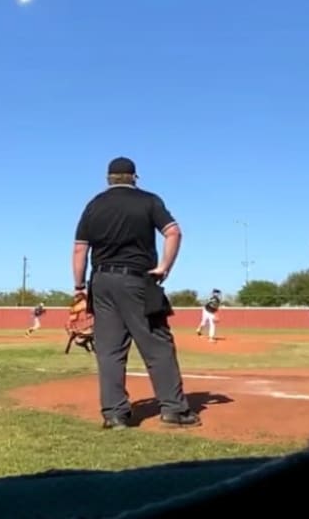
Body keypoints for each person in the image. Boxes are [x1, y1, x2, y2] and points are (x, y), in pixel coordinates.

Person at [71, 156, 200, 430]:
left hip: (102, 281)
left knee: (109, 350)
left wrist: (80, 288)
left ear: (108, 179)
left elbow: (80, 249)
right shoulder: (149, 201)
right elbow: (173, 232)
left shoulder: (94, 205)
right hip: (137, 280)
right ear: (134, 177)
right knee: (157, 345)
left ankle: (115, 415)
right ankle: (174, 410)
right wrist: (164, 267)